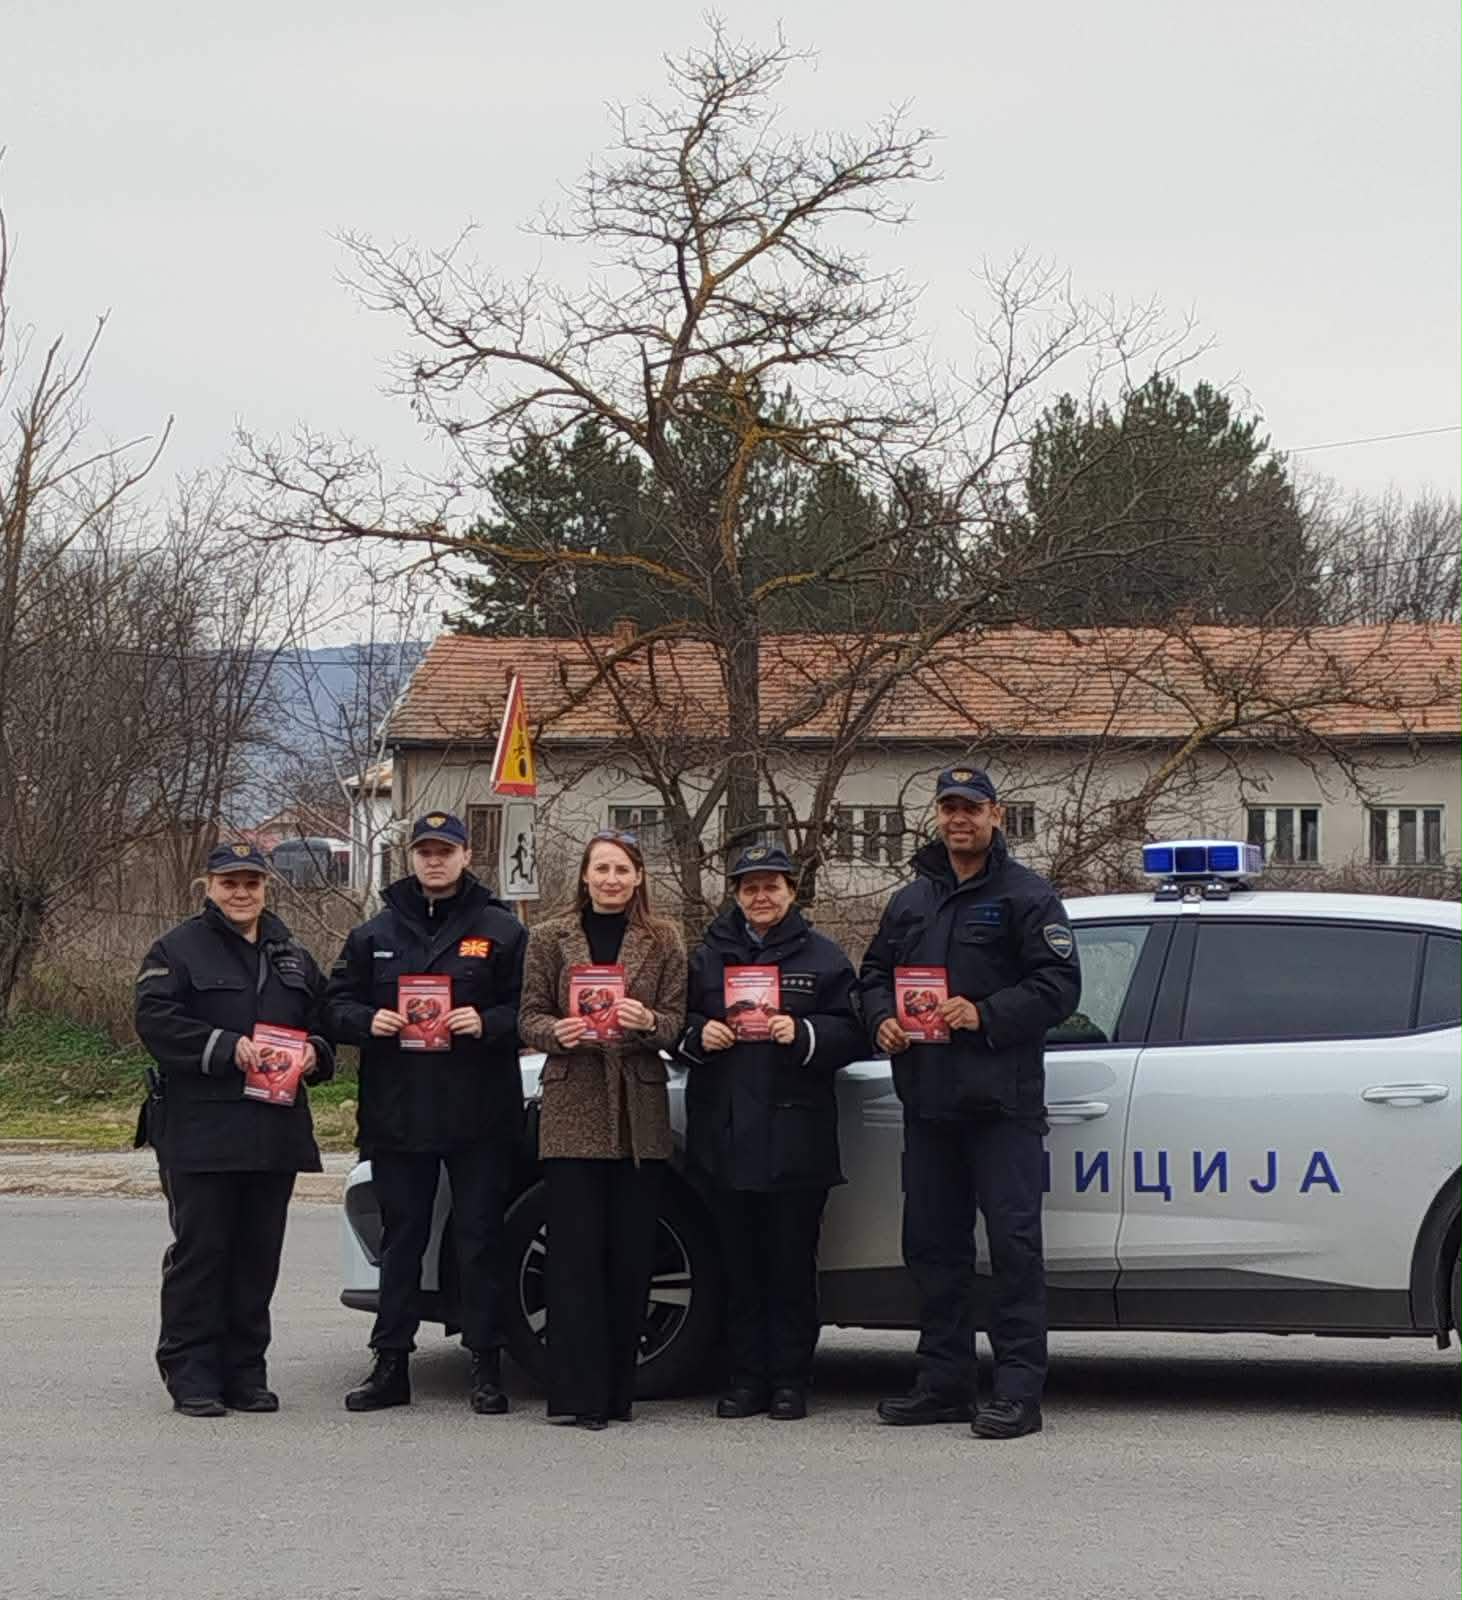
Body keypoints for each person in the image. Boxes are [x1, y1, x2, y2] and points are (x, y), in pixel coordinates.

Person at [858, 769, 1080, 1440]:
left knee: (1013, 1249)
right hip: (928, 1104)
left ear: (995, 815)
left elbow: (1059, 987)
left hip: (1001, 1108)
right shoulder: (910, 901)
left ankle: (1018, 1391)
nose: (959, 820)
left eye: (972, 809)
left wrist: (980, 1014)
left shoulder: (1027, 896)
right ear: (938, 816)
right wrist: (880, 1023)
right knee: (932, 1248)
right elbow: (871, 977)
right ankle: (944, 1382)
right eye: (949, 808)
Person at [325, 812, 527, 1415]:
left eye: (446, 850)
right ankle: (390, 1364)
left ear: (466, 856)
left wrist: (486, 1022)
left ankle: (487, 1367)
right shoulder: (374, 932)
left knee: (480, 1241)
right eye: (425, 851)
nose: (435, 861)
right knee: (402, 1242)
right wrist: (369, 1022)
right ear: (410, 857)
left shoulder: (501, 930)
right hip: (398, 1111)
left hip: (480, 1113)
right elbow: (333, 1006)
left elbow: (533, 1007)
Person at [134, 842, 335, 1418]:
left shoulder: (291, 953)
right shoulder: (176, 949)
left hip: (273, 1129)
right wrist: (226, 1048)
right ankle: (192, 1369)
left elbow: (323, 1020)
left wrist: (317, 1055)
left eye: (251, 882)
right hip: (200, 1129)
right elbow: (156, 1021)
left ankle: (246, 1370)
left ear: (266, 886)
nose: (241, 893)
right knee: (203, 1252)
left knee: (257, 1255)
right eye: (230, 883)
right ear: (209, 887)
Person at [675, 844, 862, 1421]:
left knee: (789, 1266)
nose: (761, 896)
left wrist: (803, 1030)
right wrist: (696, 1036)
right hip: (724, 1136)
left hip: (795, 1140)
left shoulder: (825, 957)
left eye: (771, 886)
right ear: (735, 894)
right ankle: (744, 1378)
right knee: (737, 1265)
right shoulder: (706, 958)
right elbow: (671, 1023)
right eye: (749, 887)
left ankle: (789, 1379)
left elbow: (857, 1033)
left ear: (791, 891)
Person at [516, 829, 686, 1429]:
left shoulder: (663, 940)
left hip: (637, 1110)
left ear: (639, 877)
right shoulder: (548, 937)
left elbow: (675, 1023)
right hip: (573, 1105)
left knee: (630, 1255)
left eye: (622, 870)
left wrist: (648, 1020)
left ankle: (619, 1392)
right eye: (601, 869)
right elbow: (528, 1015)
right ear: (584, 877)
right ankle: (575, 1395)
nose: (611, 879)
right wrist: (552, 1032)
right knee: (574, 1257)